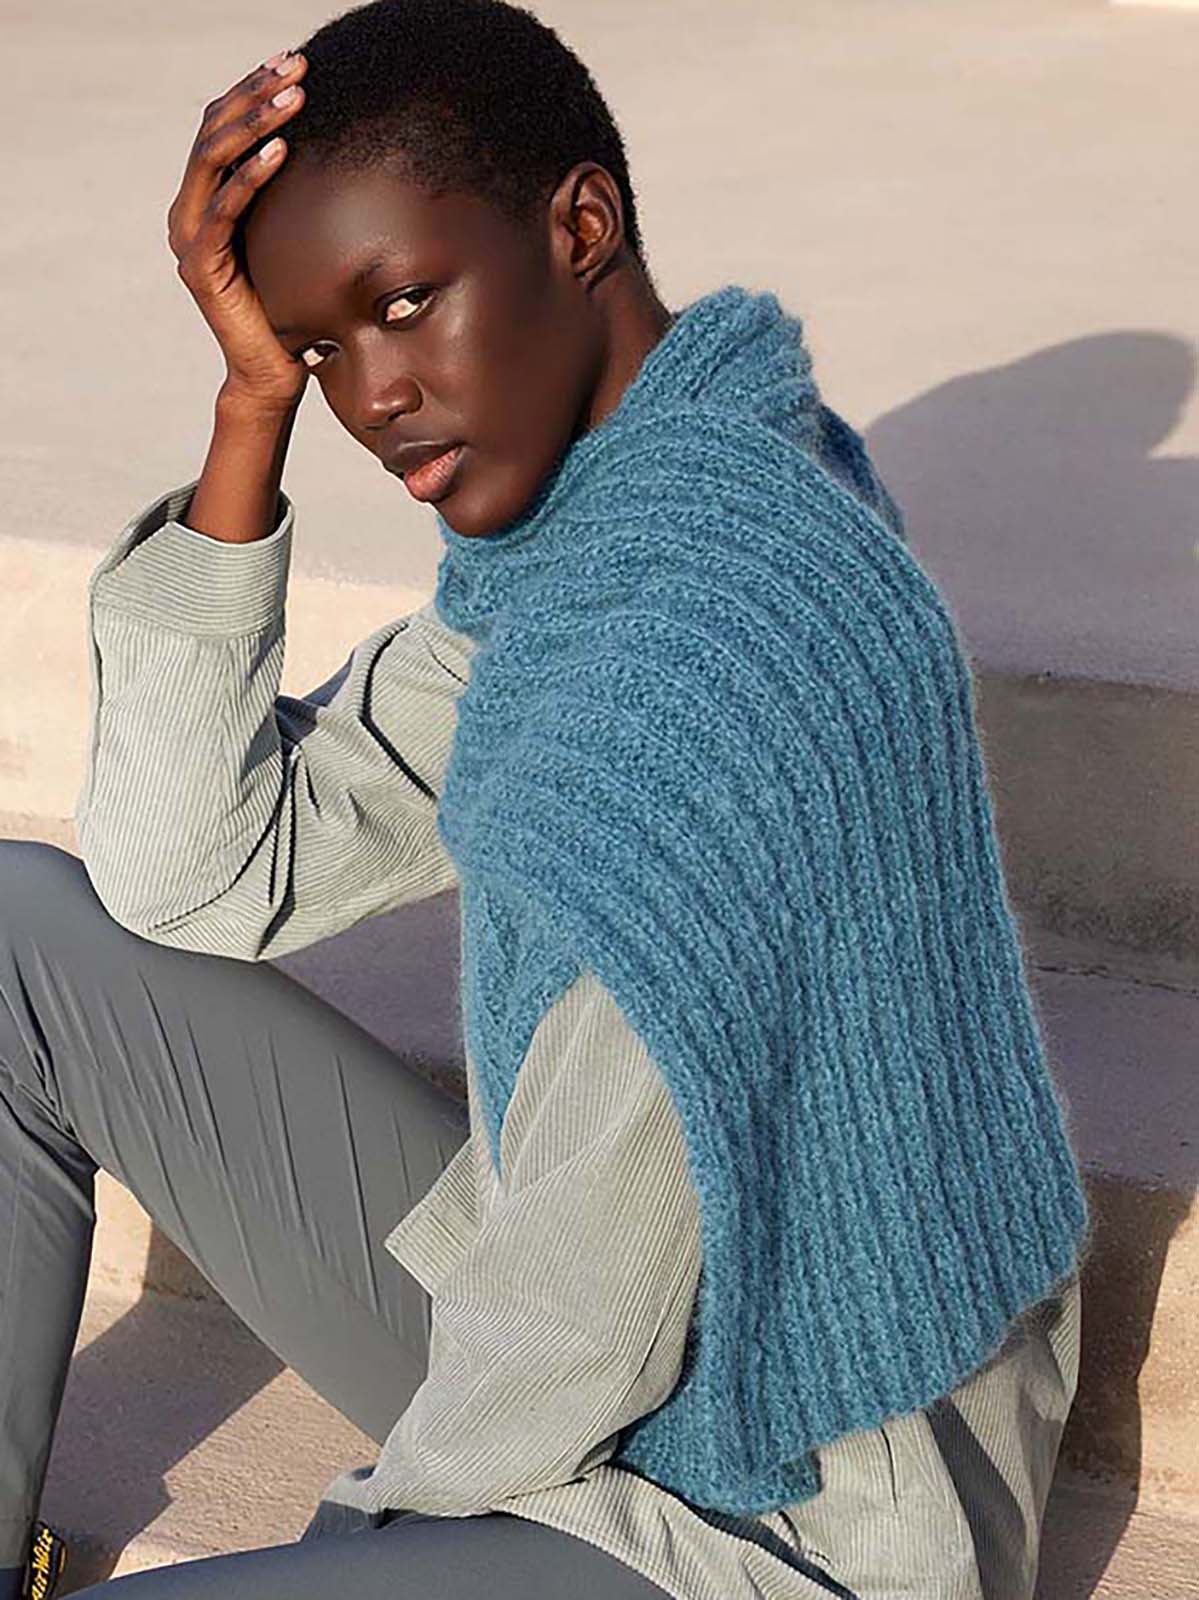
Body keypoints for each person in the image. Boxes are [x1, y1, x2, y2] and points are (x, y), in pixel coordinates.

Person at [0, 2, 1093, 1597]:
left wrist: (353, 1553)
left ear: (579, 227)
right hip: (608, 1369)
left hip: (772, 1511)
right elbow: (196, 873)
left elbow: (587, 1308)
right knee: (20, 935)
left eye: (403, 304)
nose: (373, 396)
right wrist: (248, 411)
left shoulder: (710, 645)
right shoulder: (602, 539)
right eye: (323, 349)